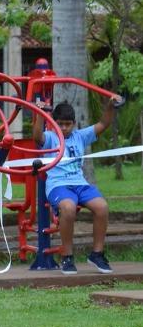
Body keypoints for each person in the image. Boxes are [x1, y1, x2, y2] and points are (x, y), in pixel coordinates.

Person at [32, 96, 122, 274]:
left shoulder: (80, 136)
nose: (64, 128)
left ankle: (97, 254)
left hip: (80, 183)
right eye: (60, 124)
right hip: (58, 185)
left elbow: (103, 124)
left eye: (68, 124)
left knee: (102, 207)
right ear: (53, 123)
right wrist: (40, 114)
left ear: (73, 123)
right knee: (69, 207)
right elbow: (36, 136)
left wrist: (111, 105)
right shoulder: (50, 137)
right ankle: (67, 257)